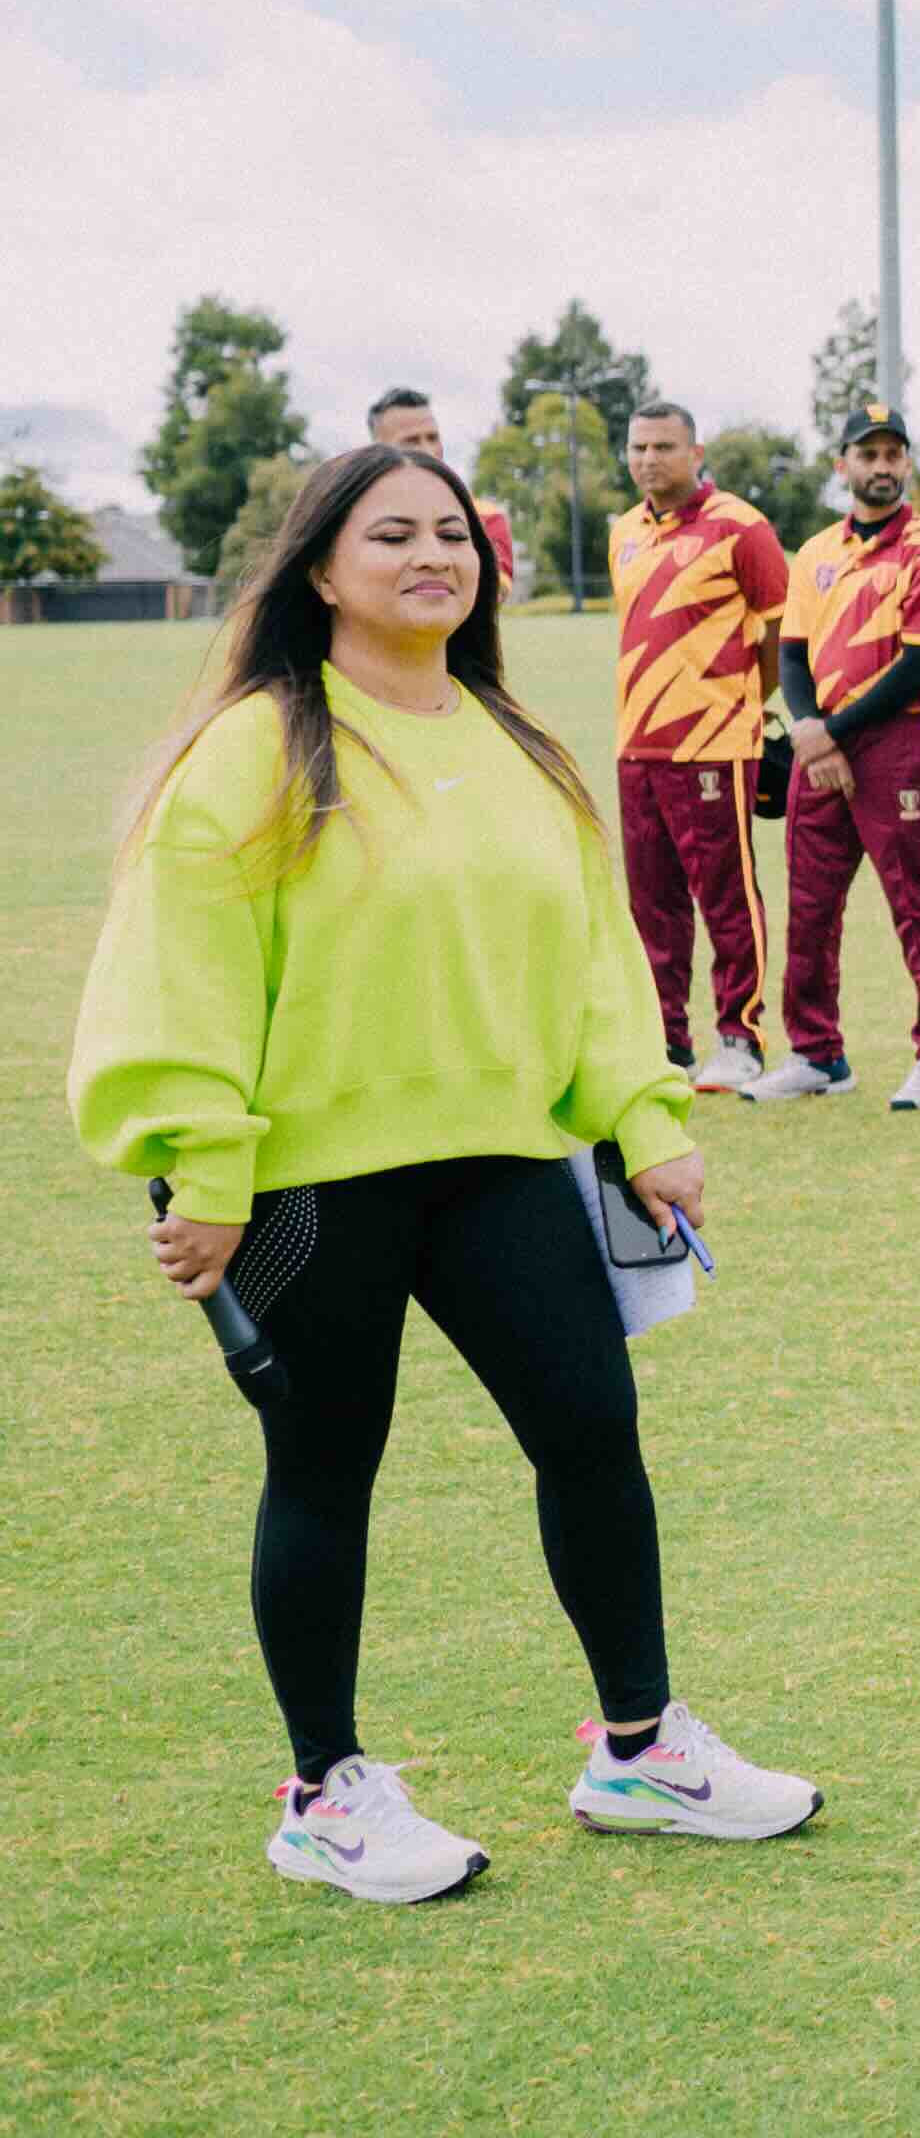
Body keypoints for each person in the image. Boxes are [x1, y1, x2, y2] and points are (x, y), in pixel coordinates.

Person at [70, 444, 823, 1904]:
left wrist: (644, 1117)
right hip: (301, 1183)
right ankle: (325, 1792)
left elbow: (595, 955)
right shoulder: (257, 747)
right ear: (320, 570)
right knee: (326, 1470)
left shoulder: (512, 739)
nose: (434, 555)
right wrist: (206, 1159)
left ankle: (641, 1748)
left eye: (453, 534)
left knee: (594, 1430)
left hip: (497, 1159)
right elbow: (187, 966)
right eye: (392, 534)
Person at [749, 403, 920, 1108]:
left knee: (917, 897)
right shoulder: (814, 553)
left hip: (899, 738)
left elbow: (916, 665)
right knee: (810, 903)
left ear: (907, 464)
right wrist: (811, 727)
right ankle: (816, 1052)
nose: (881, 467)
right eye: (867, 454)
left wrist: (827, 734)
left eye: (893, 455)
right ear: (841, 464)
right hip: (824, 739)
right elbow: (791, 654)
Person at [603, 400, 790, 1099]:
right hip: (636, 743)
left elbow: (778, 634)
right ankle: (666, 1040)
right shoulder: (623, 531)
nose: (649, 459)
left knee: (726, 895)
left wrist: (740, 700)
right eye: (638, 447)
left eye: (664, 447)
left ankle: (740, 1037)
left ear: (697, 453)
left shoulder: (742, 528)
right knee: (652, 902)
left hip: (714, 744)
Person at [367, 390, 514, 597]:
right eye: (411, 441)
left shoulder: (485, 516)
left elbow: (495, 592)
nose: (428, 450)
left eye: (432, 438)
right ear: (376, 451)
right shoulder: (351, 516)